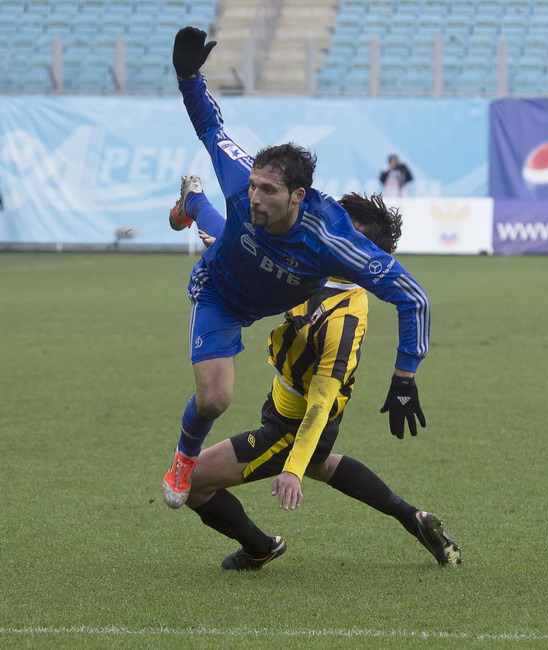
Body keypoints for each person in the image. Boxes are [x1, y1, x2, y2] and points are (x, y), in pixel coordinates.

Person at [162, 27, 430, 510]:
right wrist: (188, 77)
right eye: (255, 186)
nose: (255, 195)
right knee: (214, 400)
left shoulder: (332, 243)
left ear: (298, 196)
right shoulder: (245, 180)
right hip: (220, 291)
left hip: (258, 277)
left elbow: (413, 296)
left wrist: (405, 376)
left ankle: (193, 202)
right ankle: (183, 457)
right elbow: (210, 126)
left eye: (268, 191)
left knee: (238, 236)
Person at [171, 186, 461, 570]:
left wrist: (291, 469)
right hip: (286, 404)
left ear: (361, 252)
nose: (327, 232)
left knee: (194, 482)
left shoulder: (345, 319)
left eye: (342, 232)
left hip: (297, 422)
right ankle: (413, 518)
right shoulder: (311, 267)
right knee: (321, 463)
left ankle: (259, 547)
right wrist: (220, 236)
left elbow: (320, 403)